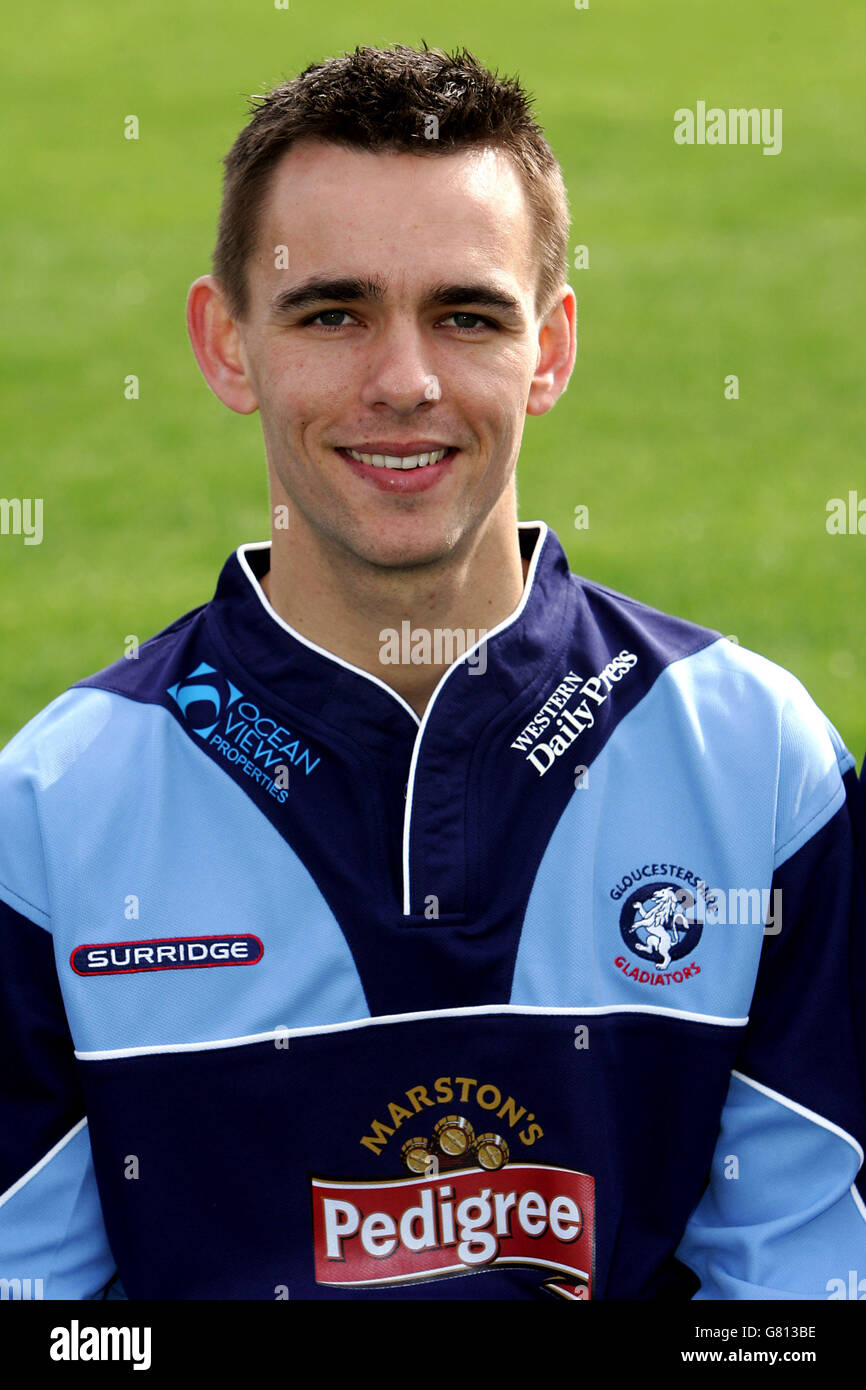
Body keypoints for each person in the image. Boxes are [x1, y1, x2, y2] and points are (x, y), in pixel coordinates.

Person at [1, 42, 864, 1302]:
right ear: (227, 343)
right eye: (331, 311)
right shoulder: (50, 817)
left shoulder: (753, 762)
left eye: (465, 315)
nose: (401, 382)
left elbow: (791, 1298)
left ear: (550, 348)